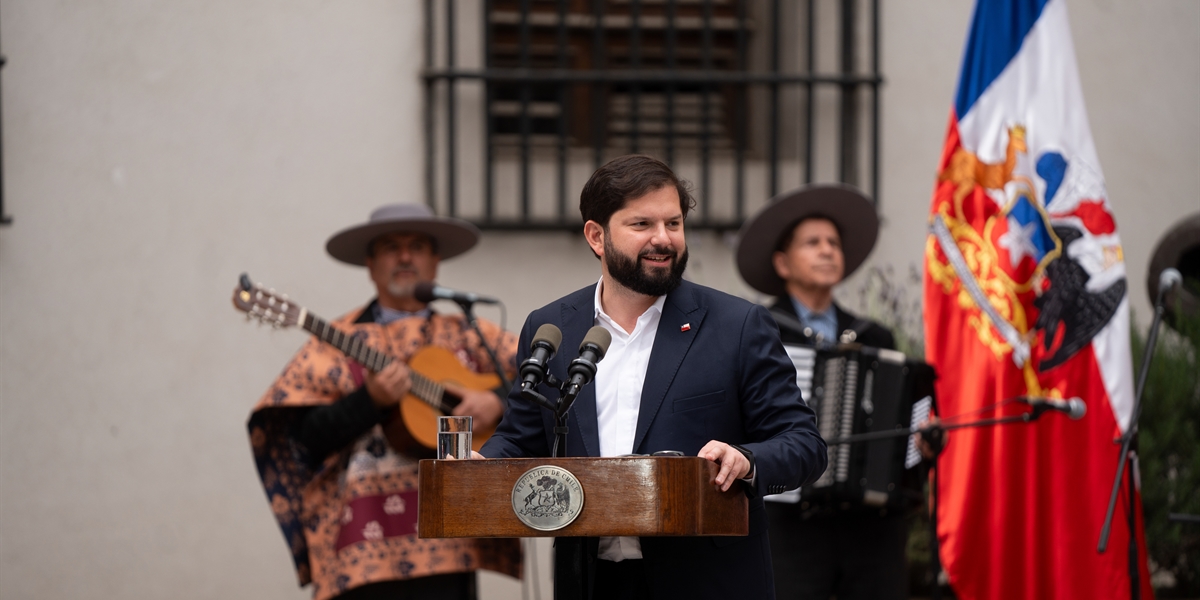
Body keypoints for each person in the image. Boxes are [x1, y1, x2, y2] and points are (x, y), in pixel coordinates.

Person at [480, 154, 828, 600]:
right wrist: (478, 468)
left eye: (674, 224)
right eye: (642, 224)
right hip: (589, 579)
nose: (663, 239)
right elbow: (523, 437)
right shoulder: (552, 328)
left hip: (707, 581)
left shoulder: (737, 325)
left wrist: (745, 459)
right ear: (597, 236)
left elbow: (803, 444)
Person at [247, 204, 521, 600]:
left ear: (435, 263)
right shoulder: (334, 341)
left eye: (417, 247)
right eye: (392, 247)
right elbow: (302, 440)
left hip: (450, 539)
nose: (405, 256)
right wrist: (369, 400)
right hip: (362, 543)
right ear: (371, 264)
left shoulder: (469, 332)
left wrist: (496, 400)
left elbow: (544, 380)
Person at [734, 184, 907, 600]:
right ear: (783, 262)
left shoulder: (873, 334)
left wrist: (917, 438)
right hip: (788, 524)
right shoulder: (757, 329)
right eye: (813, 243)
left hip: (867, 528)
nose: (827, 250)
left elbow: (897, 415)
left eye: (833, 243)